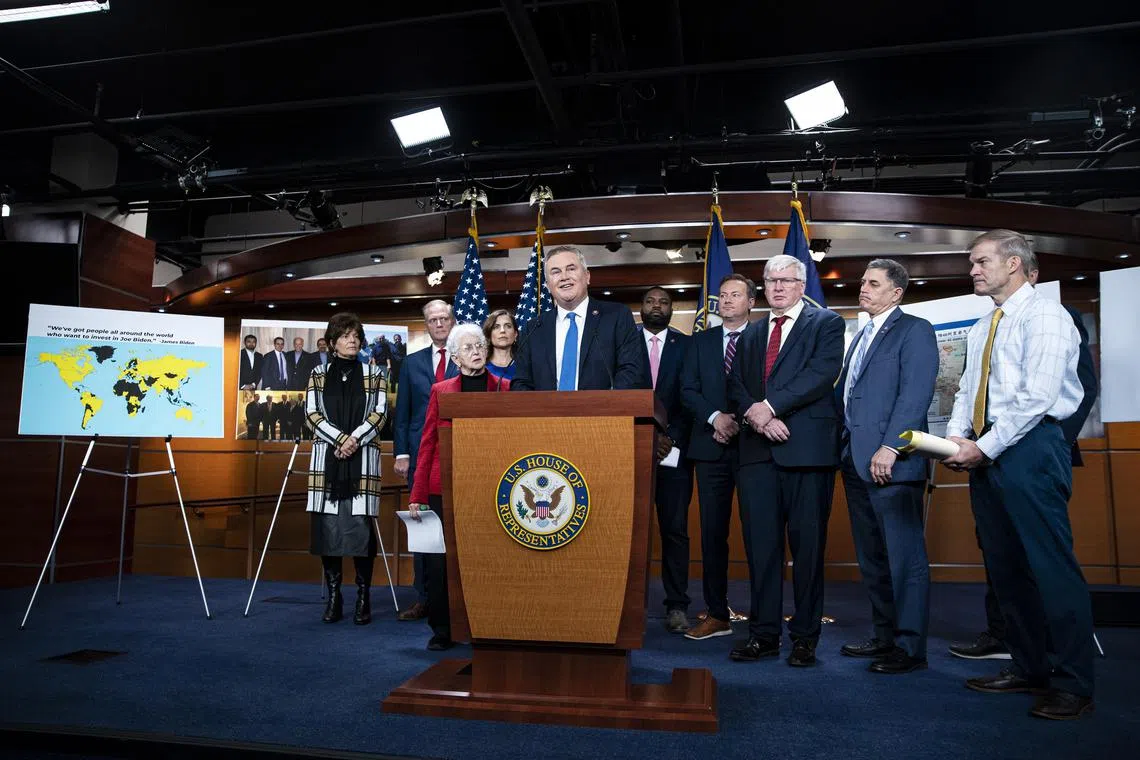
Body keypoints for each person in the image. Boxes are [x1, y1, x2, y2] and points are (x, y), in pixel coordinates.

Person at [942, 229, 1094, 720]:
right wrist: (955, 439)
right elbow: (966, 390)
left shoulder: (1046, 313)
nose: (973, 270)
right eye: (972, 263)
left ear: (1013, 263)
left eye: (981, 261)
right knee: (1005, 569)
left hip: (1031, 447)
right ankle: (1029, 668)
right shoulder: (985, 324)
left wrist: (981, 446)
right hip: (989, 450)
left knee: (1050, 566)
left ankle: (1074, 683)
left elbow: (1038, 397)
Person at [726, 254, 844, 667]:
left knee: (808, 550)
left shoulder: (826, 324)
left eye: (786, 280)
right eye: (770, 281)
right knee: (762, 550)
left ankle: (805, 638)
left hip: (806, 452)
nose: (777, 287)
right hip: (758, 454)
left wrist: (771, 407)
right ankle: (764, 634)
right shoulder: (752, 333)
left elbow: (820, 374)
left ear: (802, 284)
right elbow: (736, 385)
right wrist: (758, 418)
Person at [836, 259, 939, 674]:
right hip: (854, 460)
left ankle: (909, 647)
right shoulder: (863, 333)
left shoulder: (915, 330)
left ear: (896, 293)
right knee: (873, 558)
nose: (864, 289)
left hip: (891, 462)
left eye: (874, 284)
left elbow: (915, 395)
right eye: (863, 282)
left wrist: (891, 448)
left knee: (904, 559)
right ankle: (884, 637)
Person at [407, 323, 511, 650]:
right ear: (455, 357)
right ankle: (443, 630)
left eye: (479, 345)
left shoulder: (505, 388)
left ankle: (487, 625)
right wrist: (417, 495)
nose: (476, 351)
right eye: (467, 348)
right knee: (441, 563)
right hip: (445, 487)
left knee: (484, 560)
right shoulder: (441, 390)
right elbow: (427, 444)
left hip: (489, 487)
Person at [681, 273, 755, 641]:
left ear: (751, 302)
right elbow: (687, 389)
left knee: (760, 533)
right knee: (712, 533)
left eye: (735, 295)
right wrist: (716, 418)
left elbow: (768, 389)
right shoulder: (701, 342)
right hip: (710, 449)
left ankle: (764, 618)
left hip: (755, 448)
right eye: (722, 295)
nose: (726, 301)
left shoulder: (762, 339)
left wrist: (738, 420)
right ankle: (716, 613)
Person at [305, 312, 389, 626]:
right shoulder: (317, 373)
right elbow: (311, 414)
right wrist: (340, 439)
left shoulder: (375, 373)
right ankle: (335, 596)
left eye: (355, 335)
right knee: (329, 531)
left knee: (360, 531)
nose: (351, 341)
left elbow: (380, 414)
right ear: (333, 342)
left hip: (363, 460)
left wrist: (353, 440)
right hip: (326, 462)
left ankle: (363, 597)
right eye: (345, 336)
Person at [393, 300, 457, 621]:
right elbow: (402, 413)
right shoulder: (411, 363)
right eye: (433, 320)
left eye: (444, 318)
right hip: (420, 459)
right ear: (427, 325)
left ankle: (456, 598)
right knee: (423, 531)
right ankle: (424, 597)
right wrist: (402, 453)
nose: (439, 324)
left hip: (459, 455)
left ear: (452, 320)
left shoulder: (467, 358)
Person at [511, 245, 649, 391]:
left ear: (587, 276)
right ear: (548, 285)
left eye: (571, 269)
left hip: (604, 412)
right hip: (546, 413)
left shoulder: (617, 316)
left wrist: (604, 409)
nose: (564, 277)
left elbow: (631, 373)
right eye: (555, 272)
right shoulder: (533, 328)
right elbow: (521, 382)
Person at [638, 287, 694, 633]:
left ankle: (677, 605)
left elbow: (693, 395)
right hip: (630, 448)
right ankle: (630, 605)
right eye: (650, 301)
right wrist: (647, 434)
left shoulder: (686, 346)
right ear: (640, 308)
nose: (657, 307)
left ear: (672, 309)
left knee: (675, 531)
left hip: (675, 450)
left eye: (664, 302)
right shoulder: (624, 342)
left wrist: (670, 436)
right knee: (629, 531)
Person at [483, 308, 519, 382]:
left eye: (508, 326)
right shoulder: (481, 366)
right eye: (496, 327)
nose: (502, 331)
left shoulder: (524, 366)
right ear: (489, 335)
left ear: (515, 334)